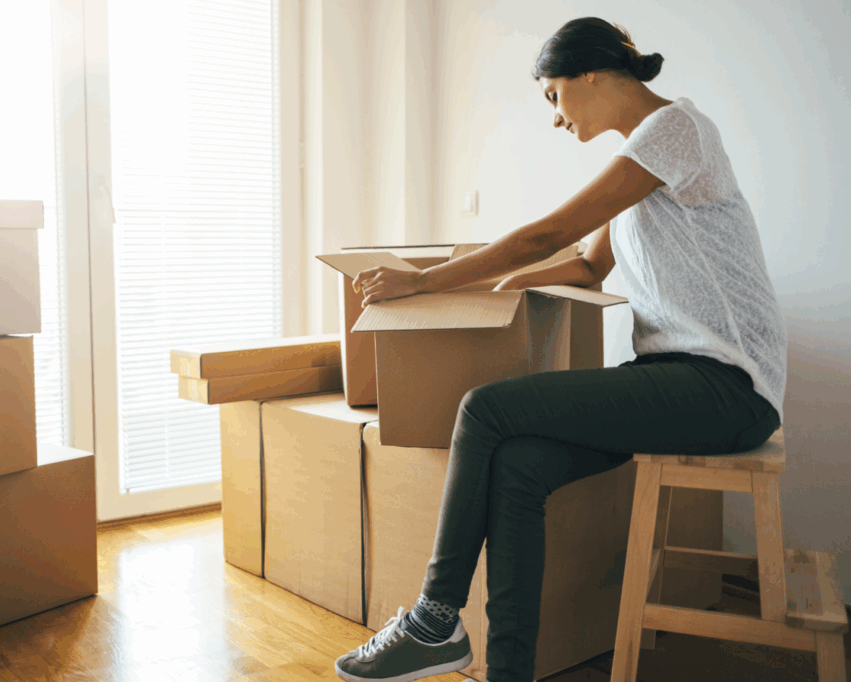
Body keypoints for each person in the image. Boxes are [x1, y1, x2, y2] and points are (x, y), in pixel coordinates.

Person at [333, 16, 787, 682]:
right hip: (674, 379)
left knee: (484, 410)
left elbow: (547, 235)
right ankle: (507, 673)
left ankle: (434, 620)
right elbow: (585, 267)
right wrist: (503, 286)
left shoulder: (676, 130)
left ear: (593, 74)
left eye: (552, 95)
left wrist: (422, 282)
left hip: (727, 387)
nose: (554, 117)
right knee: (518, 466)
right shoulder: (640, 164)